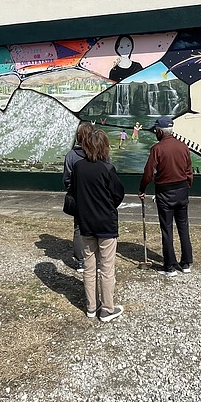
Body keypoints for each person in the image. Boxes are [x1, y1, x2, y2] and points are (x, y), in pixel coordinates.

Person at [69, 129, 126, 322]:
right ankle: (107, 309)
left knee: (89, 266)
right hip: (106, 224)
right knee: (107, 268)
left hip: (86, 223)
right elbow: (118, 193)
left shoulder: (78, 168)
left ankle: (91, 307)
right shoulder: (107, 169)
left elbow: (73, 192)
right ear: (104, 147)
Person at [138, 115, 194, 277]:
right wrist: (186, 185)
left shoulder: (157, 149)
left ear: (161, 132)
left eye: (156, 130)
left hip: (165, 192)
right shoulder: (183, 146)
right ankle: (186, 263)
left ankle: (169, 266)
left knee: (167, 229)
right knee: (183, 226)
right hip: (182, 190)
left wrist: (142, 189)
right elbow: (189, 170)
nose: (155, 132)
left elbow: (148, 173)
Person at [62, 122, 94, 272]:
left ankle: (81, 261)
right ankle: (96, 260)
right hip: (97, 196)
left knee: (78, 228)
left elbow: (67, 178)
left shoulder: (72, 155)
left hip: (78, 196)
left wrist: (72, 190)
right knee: (97, 228)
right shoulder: (100, 152)